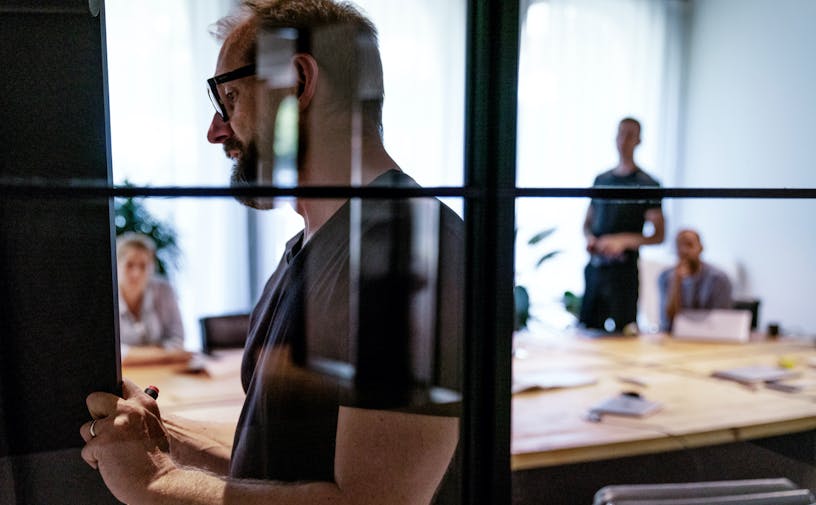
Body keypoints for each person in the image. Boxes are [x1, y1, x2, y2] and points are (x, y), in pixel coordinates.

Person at [80, 2, 464, 505]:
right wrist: (155, 434)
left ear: (300, 81)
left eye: (230, 97)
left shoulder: (406, 248)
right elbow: (274, 457)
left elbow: (373, 501)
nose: (216, 130)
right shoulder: (310, 245)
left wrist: (157, 483)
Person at [579, 117, 665, 333]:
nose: (624, 140)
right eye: (620, 134)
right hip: (596, 269)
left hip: (624, 272)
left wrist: (623, 241)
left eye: (629, 135)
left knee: (624, 332)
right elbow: (587, 223)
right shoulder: (602, 180)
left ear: (638, 140)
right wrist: (592, 239)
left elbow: (658, 235)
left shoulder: (647, 184)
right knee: (587, 330)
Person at [116, 232, 184, 349]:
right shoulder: (107, 296)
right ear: (116, 264)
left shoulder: (164, 290)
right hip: (125, 367)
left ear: (152, 268)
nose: (136, 273)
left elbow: (177, 337)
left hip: (161, 365)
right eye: (129, 264)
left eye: (143, 266)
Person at [658, 229, 733, 331]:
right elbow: (667, 322)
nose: (684, 250)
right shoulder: (665, 277)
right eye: (679, 246)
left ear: (701, 248)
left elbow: (721, 321)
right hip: (675, 338)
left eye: (689, 245)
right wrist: (676, 282)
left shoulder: (718, 279)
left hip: (709, 336)